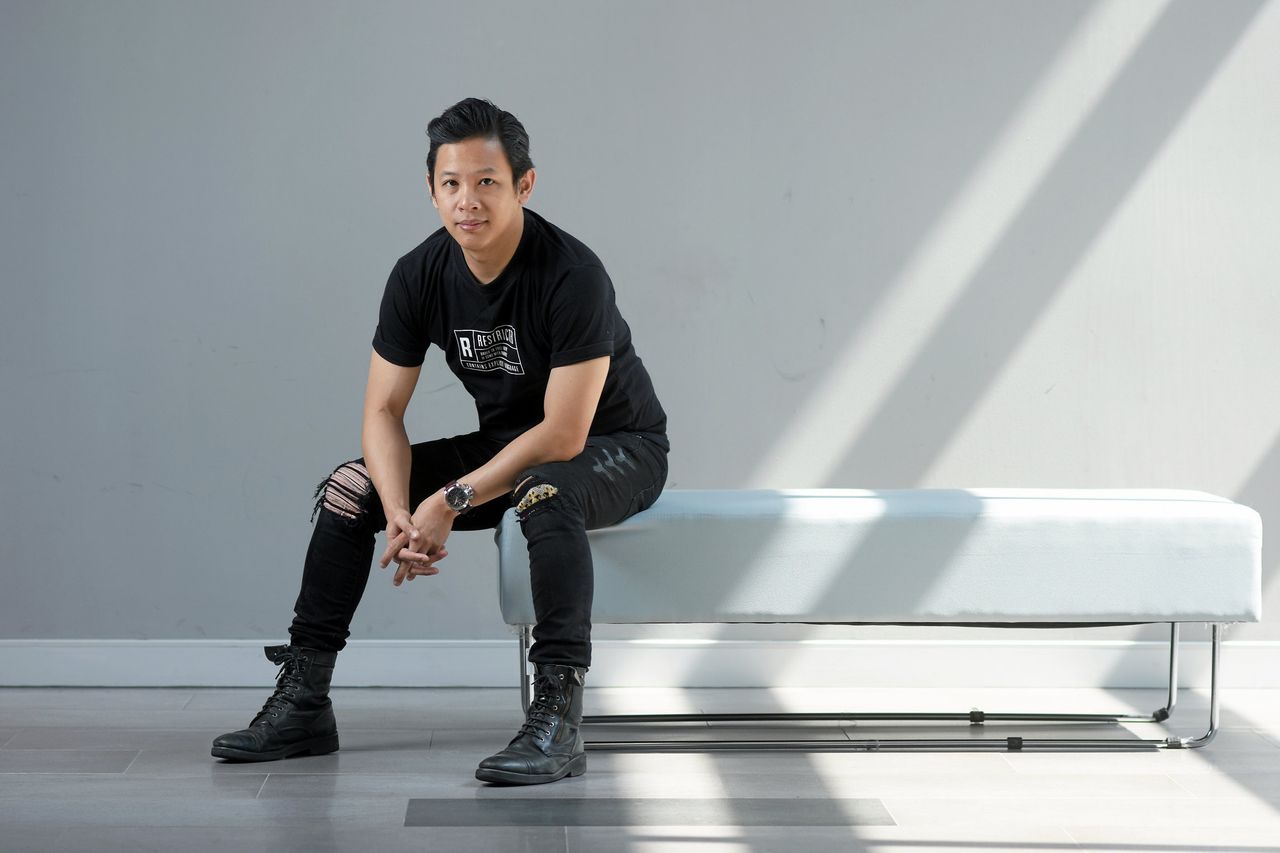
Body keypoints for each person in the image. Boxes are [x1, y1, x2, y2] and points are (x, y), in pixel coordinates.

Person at [211, 98, 669, 786]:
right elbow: (383, 410)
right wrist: (400, 508)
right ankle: (304, 699)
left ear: (524, 184)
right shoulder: (419, 274)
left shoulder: (572, 274)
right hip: (508, 443)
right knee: (350, 488)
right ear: (431, 190)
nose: (467, 201)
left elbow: (563, 433)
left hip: (615, 446)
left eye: (487, 182)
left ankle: (558, 716)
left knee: (542, 490)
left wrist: (450, 500)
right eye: (451, 183)